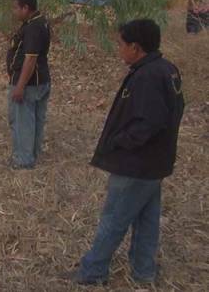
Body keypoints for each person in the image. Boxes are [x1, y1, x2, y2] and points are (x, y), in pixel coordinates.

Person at [73, 19, 184, 286]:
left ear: (135, 47)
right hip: (155, 163)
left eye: (121, 44)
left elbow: (150, 122)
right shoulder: (167, 69)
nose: (118, 49)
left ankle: (92, 271)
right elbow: (176, 110)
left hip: (136, 164)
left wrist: (121, 141)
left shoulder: (148, 77)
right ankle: (143, 271)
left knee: (114, 219)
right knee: (147, 220)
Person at [6, 0, 51, 170]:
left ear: (25, 8)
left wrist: (20, 86)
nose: (14, 12)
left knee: (22, 121)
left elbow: (30, 59)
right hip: (41, 80)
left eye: (16, 8)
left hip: (29, 84)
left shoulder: (33, 27)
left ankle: (23, 159)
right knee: (35, 120)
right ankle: (32, 153)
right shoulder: (41, 21)